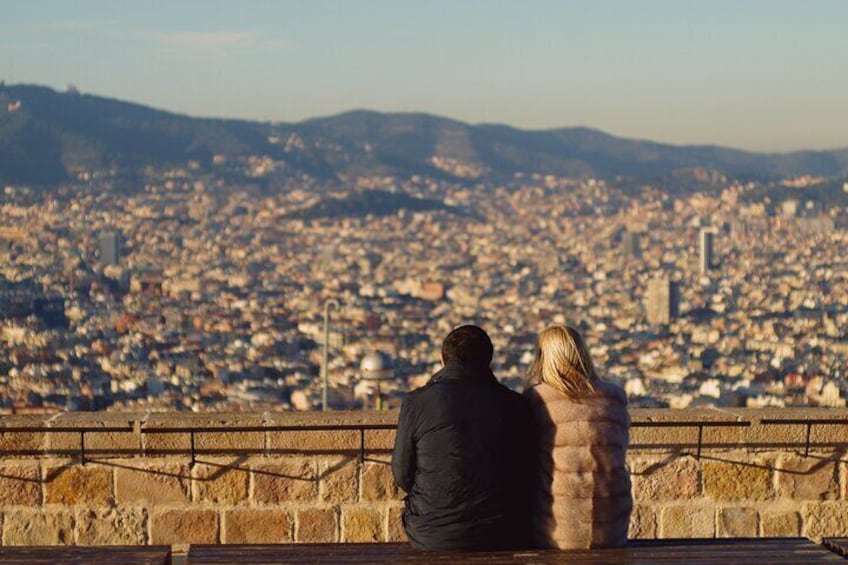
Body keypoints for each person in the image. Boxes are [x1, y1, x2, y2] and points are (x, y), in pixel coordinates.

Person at [391, 324, 534, 551]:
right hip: (502, 532)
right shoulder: (514, 404)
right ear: (489, 361)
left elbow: (402, 474)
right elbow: (526, 471)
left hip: (433, 533)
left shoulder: (417, 403)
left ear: (442, 360)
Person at [523, 325, 632, 549]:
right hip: (611, 528)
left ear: (545, 358)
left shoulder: (538, 399)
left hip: (556, 529)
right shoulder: (613, 398)